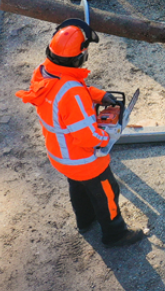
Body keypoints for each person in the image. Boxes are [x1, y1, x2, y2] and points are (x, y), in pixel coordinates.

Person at [16, 19, 145, 248]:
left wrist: (99, 95)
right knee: (107, 192)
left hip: (60, 155)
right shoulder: (73, 94)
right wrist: (108, 136)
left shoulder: (44, 72)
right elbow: (86, 136)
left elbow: (66, 87)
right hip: (84, 159)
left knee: (79, 188)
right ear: (80, 58)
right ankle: (115, 234)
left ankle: (85, 221)